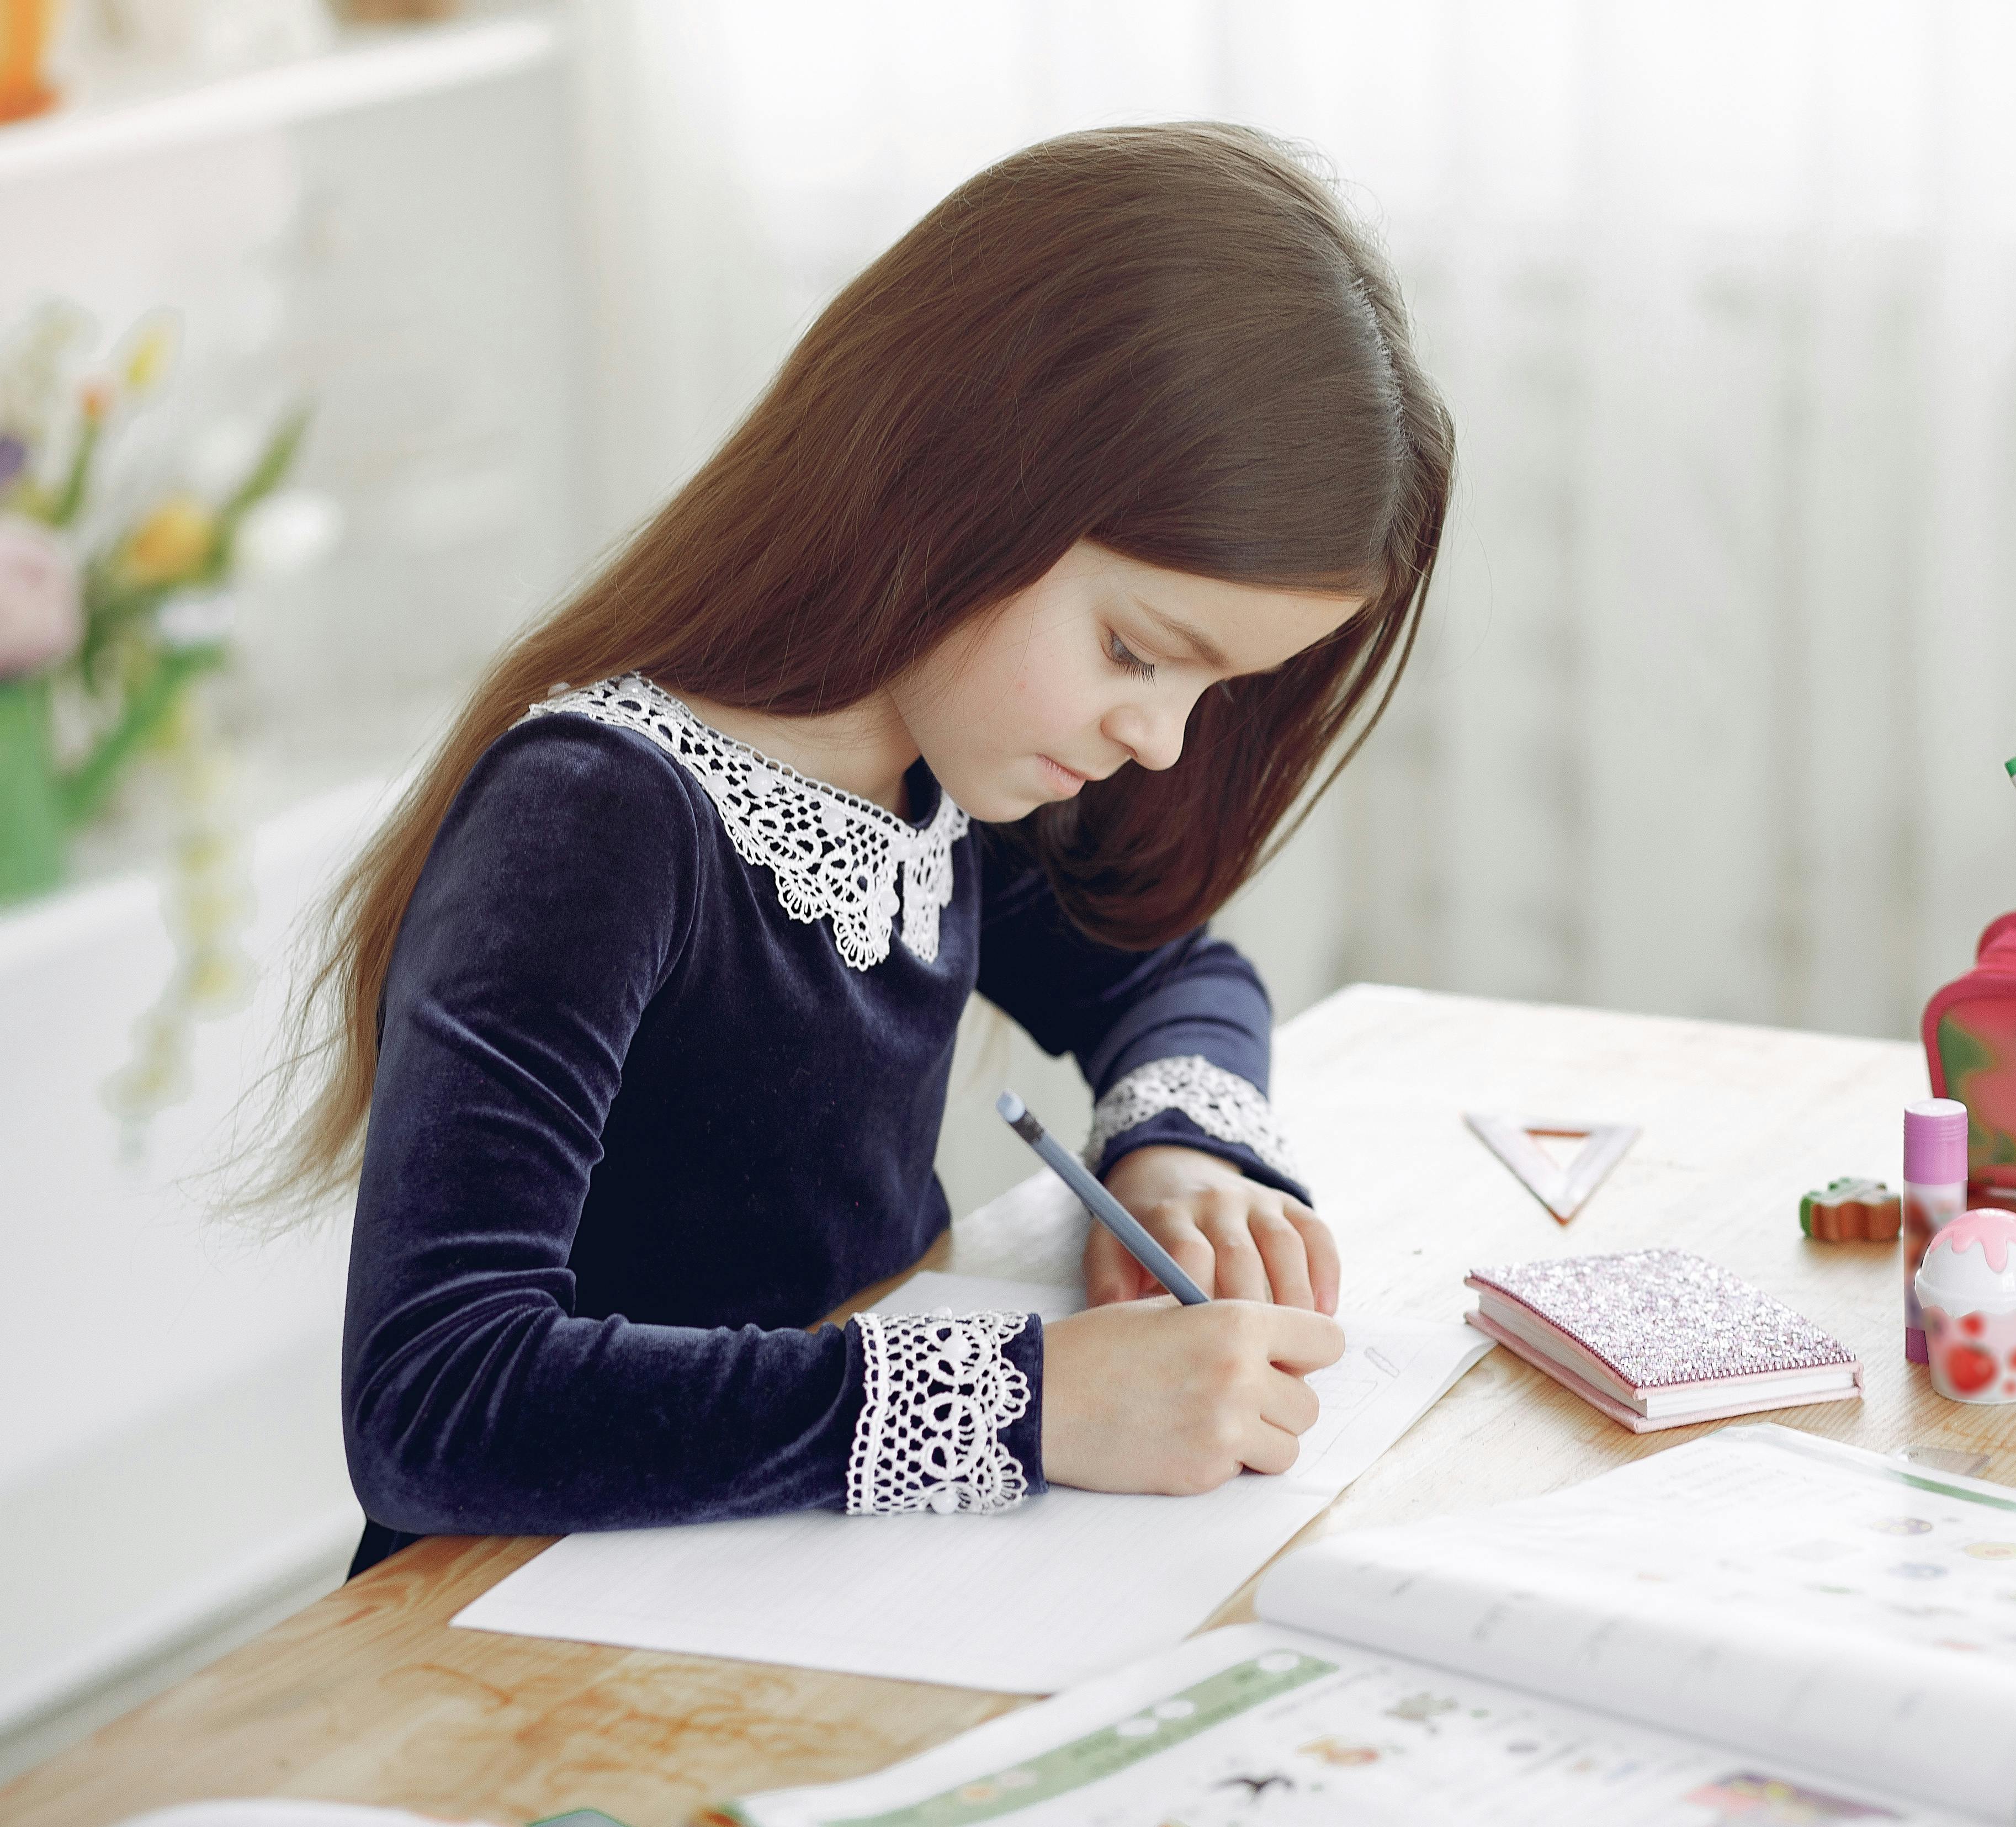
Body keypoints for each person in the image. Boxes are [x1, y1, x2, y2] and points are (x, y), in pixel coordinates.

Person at [247, 124, 1453, 1575]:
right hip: (530, 1618)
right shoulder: (597, 817)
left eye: (1215, 691)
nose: (1163, 743)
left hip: (805, 1577)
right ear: (960, 474)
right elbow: (438, 1406)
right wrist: (1021, 1406)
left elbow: (1171, 976)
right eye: (1137, 651)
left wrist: (1174, 1151)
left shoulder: (932, 784)